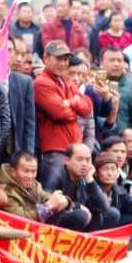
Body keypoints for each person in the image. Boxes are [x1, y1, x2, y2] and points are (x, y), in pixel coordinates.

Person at [34, 41, 93, 179]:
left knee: (73, 195)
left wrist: (70, 103)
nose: (63, 63)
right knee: (55, 193)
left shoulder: (66, 81)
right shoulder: (42, 82)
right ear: (46, 58)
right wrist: (76, 106)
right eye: (58, 58)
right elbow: (63, 114)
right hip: (55, 150)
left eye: (65, 59)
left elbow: (88, 107)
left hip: (73, 149)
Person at [0, 150, 93, 230]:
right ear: (13, 171)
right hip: (16, 230)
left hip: (36, 226)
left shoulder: (34, 184)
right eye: (25, 171)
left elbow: (46, 197)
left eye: (33, 171)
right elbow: (20, 219)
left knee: (80, 215)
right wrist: (48, 206)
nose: (30, 176)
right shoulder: (4, 189)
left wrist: (65, 201)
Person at [42, 143, 119, 231]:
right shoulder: (55, 173)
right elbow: (48, 202)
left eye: (88, 160)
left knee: (111, 214)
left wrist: (89, 178)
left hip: (78, 217)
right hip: (53, 219)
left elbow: (102, 207)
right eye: (79, 159)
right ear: (67, 160)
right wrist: (77, 206)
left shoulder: (84, 178)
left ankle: (87, 242)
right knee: (81, 215)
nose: (84, 164)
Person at [94, 151, 132, 225]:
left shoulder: (119, 191)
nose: (109, 173)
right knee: (113, 213)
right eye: (105, 169)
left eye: (113, 169)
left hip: (113, 225)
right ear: (96, 173)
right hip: (95, 225)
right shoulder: (91, 188)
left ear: (117, 173)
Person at [99, 46, 132, 136]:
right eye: (112, 60)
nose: (116, 64)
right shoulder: (94, 85)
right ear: (101, 64)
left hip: (123, 142)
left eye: (119, 61)